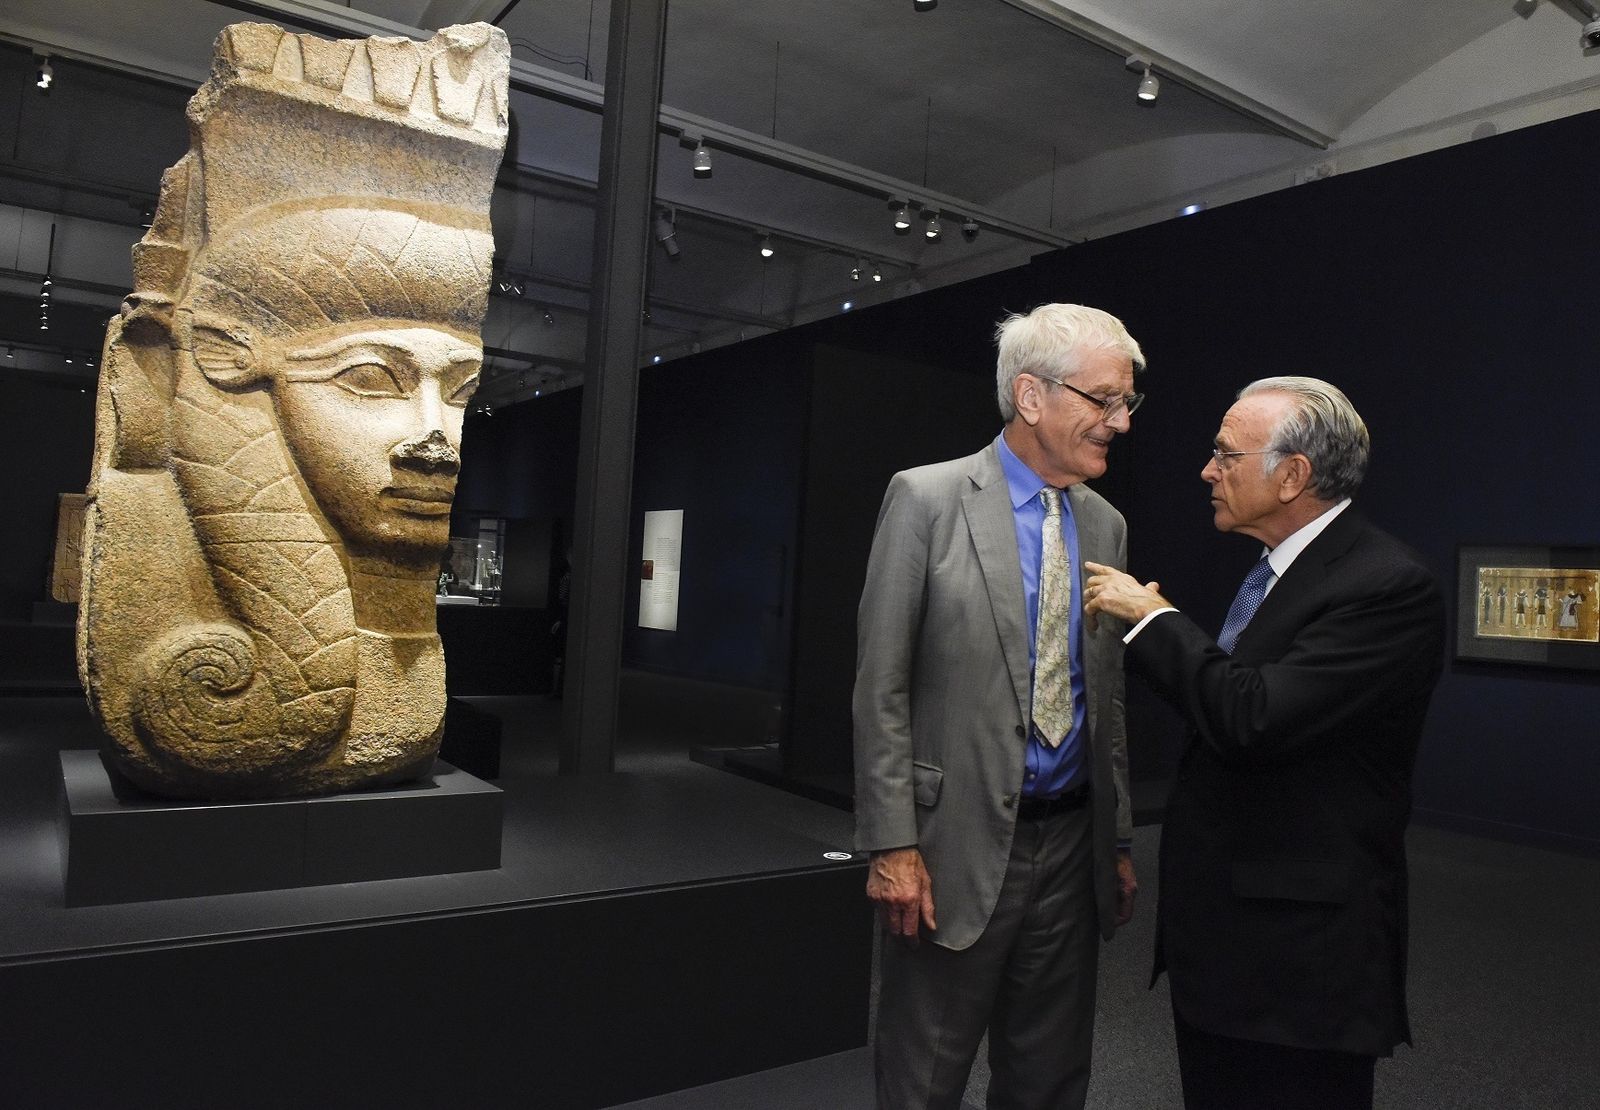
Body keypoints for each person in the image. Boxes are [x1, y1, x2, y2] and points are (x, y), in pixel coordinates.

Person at [1083, 377, 1446, 1110]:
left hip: (1298, 970)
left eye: (1225, 455)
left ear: (1292, 476)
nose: (1206, 472)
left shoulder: (1386, 585)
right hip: (1234, 950)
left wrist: (1153, 619)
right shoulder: (1285, 574)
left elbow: (1252, 719)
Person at [854, 303, 1141, 1109]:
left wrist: (1115, 840)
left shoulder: (1107, 525)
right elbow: (881, 683)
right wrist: (891, 844)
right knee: (924, 1077)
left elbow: (1103, 696)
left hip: (1070, 847)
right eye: (1104, 400)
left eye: (1126, 403)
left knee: (1050, 1080)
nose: (1119, 422)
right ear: (1031, 394)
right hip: (951, 851)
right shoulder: (927, 499)